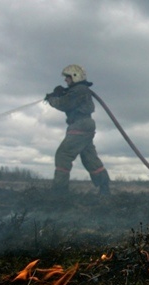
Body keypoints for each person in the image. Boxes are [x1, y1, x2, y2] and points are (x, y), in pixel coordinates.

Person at [45, 64, 110, 195]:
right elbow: (69, 99)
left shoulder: (79, 89)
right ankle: (105, 189)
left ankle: (59, 193)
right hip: (86, 124)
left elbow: (65, 104)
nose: (65, 80)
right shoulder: (80, 90)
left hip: (80, 124)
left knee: (63, 155)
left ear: (75, 76)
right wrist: (63, 93)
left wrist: (52, 99)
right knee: (89, 158)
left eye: (68, 77)